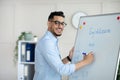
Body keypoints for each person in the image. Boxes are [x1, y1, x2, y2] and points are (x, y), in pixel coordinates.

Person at [33, 11, 94, 80]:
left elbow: (55, 66)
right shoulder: (47, 42)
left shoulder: (52, 41)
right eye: (57, 23)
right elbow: (61, 69)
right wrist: (86, 61)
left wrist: (68, 58)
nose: (60, 26)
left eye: (62, 24)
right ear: (49, 23)